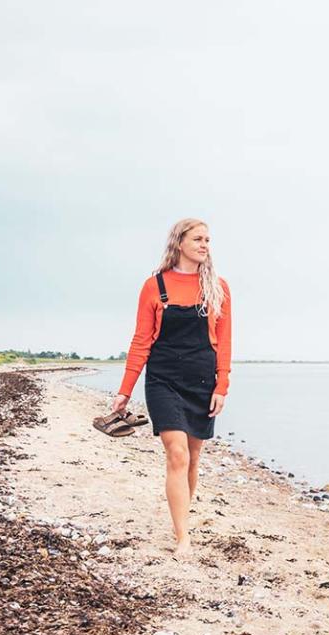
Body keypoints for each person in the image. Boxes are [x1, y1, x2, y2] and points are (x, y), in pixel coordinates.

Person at [112, 218, 231, 558]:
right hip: (163, 378)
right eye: (198, 239)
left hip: (202, 379)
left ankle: (182, 519)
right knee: (176, 453)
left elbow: (224, 342)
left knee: (193, 457)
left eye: (208, 239)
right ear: (180, 242)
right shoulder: (155, 286)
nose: (205, 245)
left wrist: (222, 385)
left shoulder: (218, 287)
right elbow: (141, 341)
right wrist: (125, 389)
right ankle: (183, 539)